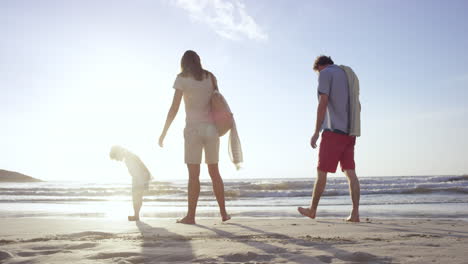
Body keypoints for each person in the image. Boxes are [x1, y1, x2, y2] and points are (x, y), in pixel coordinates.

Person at [158, 50, 231, 224]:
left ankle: (191, 216)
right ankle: (223, 213)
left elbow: (174, 108)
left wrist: (164, 132)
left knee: (193, 176)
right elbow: (218, 100)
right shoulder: (211, 77)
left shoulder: (182, 78)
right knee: (215, 172)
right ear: (199, 61)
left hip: (193, 130)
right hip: (211, 130)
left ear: (183, 62)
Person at [298, 55, 361, 222]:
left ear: (320, 67)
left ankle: (312, 210)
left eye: (317, 73)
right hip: (350, 132)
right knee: (351, 173)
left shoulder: (326, 74)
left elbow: (322, 103)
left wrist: (316, 131)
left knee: (321, 173)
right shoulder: (348, 74)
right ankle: (355, 213)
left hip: (333, 132)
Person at [110, 145, 152, 221]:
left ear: (118, 153)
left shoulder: (129, 157)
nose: (117, 160)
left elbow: (141, 166)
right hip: (140, 177)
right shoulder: (129, 156)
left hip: (139, 178)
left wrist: (145, 177)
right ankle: (136, 215)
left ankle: (136, 216)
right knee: (138, 197)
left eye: (116, 158)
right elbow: (141, 165)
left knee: (136, 197)